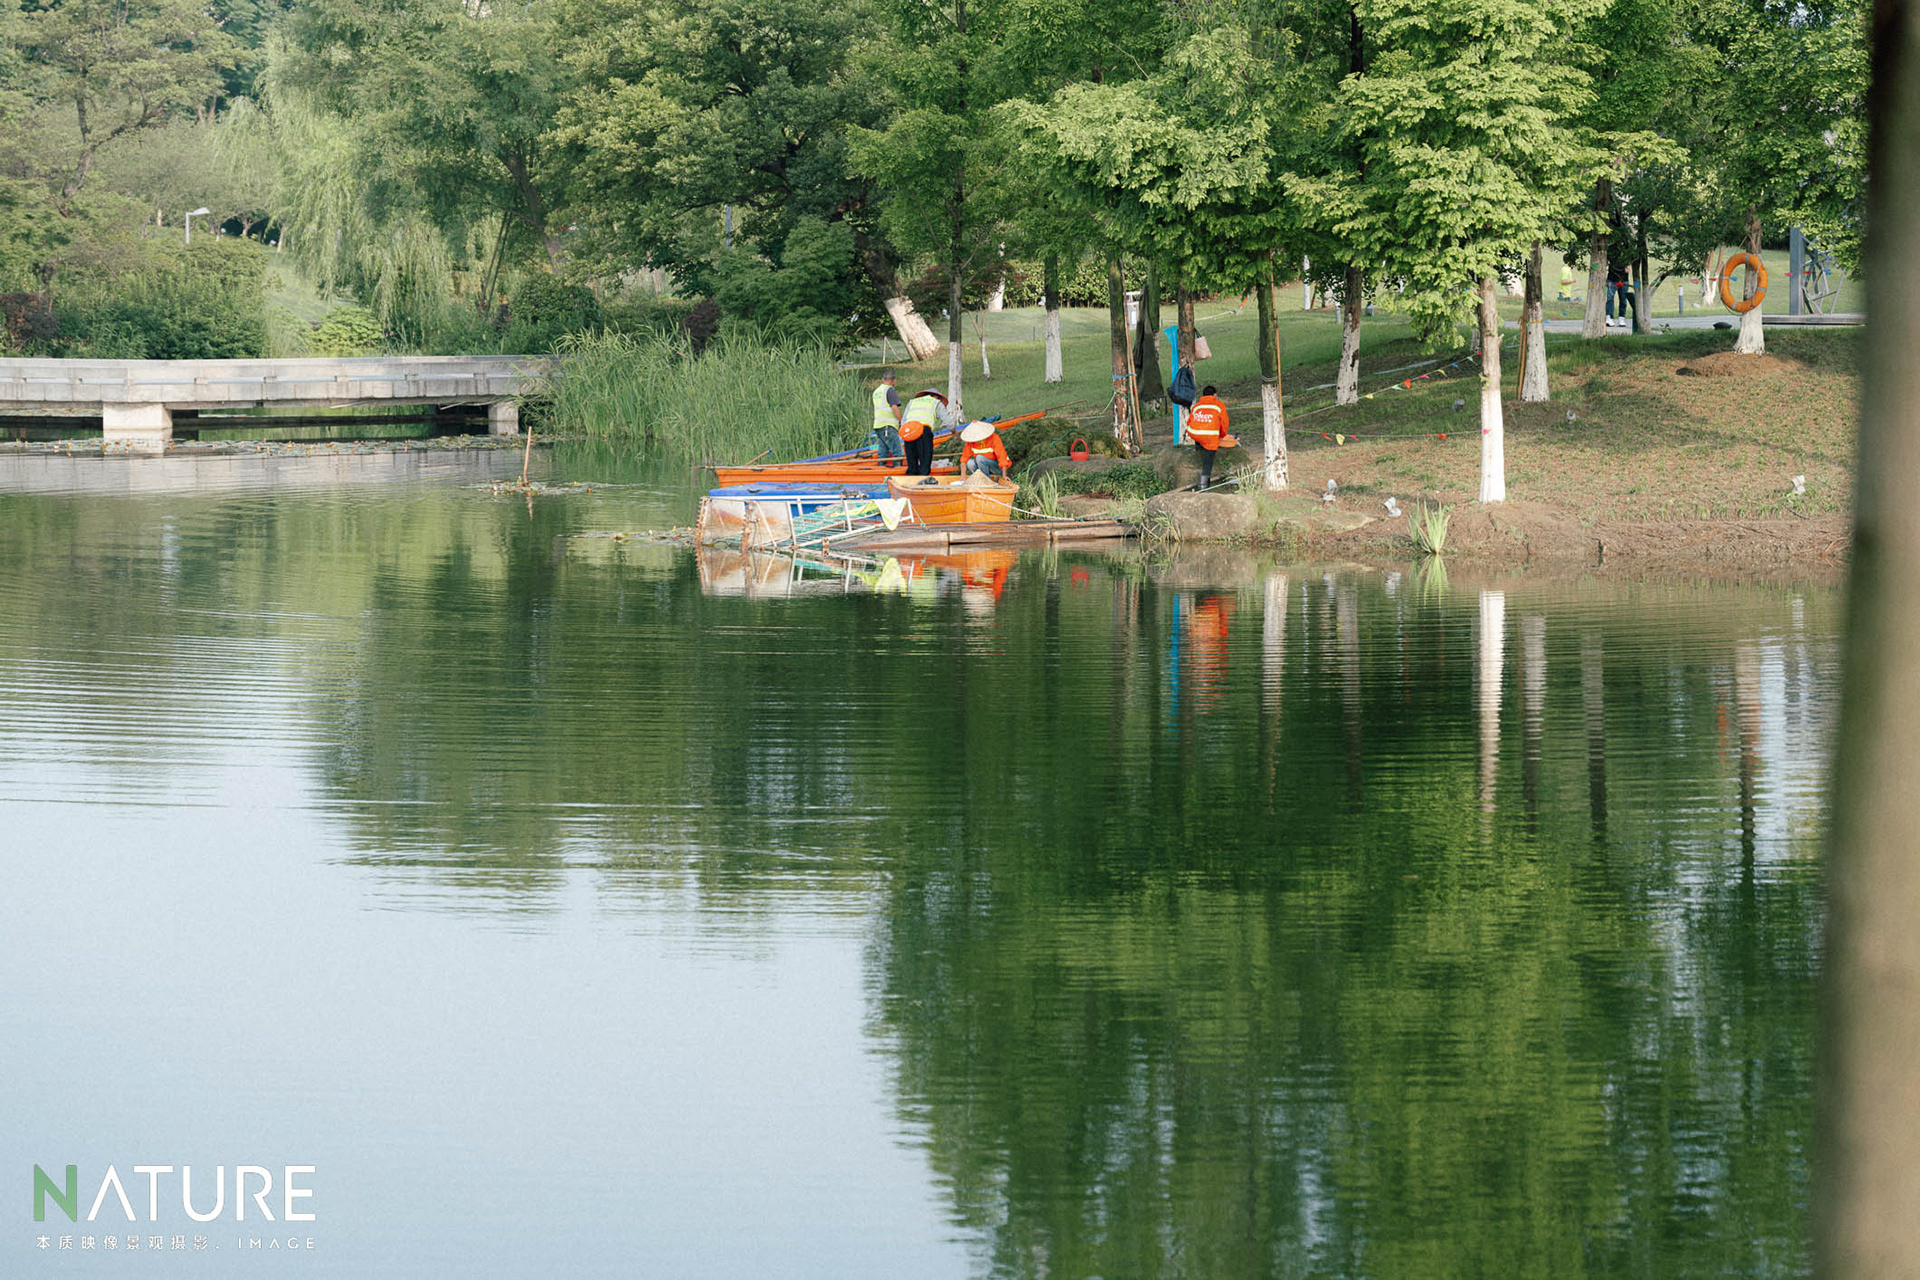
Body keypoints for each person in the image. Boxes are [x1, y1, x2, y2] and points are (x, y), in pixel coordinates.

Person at [1186, 384, 1229, 490]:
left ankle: (1199, 446)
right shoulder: (1219, 405)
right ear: (1214, 395)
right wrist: (1222, 436)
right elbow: (1224, 423)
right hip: (1209, 436)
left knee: (1201, 437)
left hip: (1194, 432)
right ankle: (1203, 485)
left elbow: (1190, 421)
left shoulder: (1197, 406)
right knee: (1209, 456)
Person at [901, 387, 946, 476]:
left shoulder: (912, 402)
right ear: (936, 396)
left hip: (909, 430)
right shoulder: (936, 403)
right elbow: (947, 421)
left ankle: (911, 477)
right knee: (925, 458)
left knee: (911, 459)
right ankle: (923, 478)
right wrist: (953, 431)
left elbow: (903, 422)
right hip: (923, 430)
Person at [869, 369, 903, 465]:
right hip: (888, 426)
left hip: (878, 425)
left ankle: (882, 470)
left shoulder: (876, 391)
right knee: (898, 452)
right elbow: (894, 407)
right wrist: (901, 420)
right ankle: (898, 471)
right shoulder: (889, 390)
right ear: (894, 380)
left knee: (883, 452)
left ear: (882, 379)